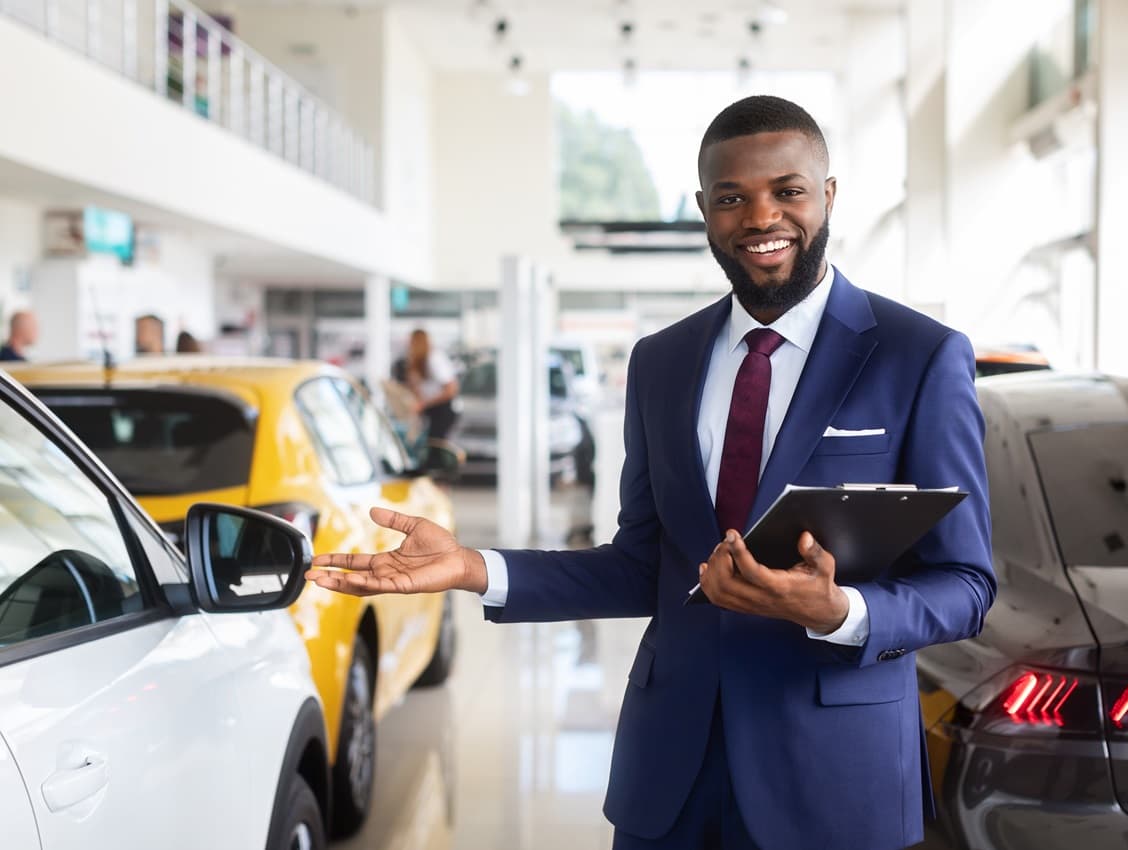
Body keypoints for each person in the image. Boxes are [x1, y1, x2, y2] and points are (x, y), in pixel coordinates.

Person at [307, 96, 995, 850]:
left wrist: (840, 613)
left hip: (833, 779)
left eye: (787, 191)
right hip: (669, 777)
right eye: (732, 198)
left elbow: (964, 584)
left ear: (827, 195)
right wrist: (474, 567)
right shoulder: (662, 362)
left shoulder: (918, 355)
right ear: (705, 211)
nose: (761, 217)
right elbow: (644, 566)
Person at [391, 329, 459, 441]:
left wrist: (423, 404)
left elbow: (451, 389)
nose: (408, 347)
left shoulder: (434, 358)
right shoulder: (420, 362)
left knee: (435, 445)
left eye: (411, 343)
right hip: (431, 410)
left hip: (442, 410)